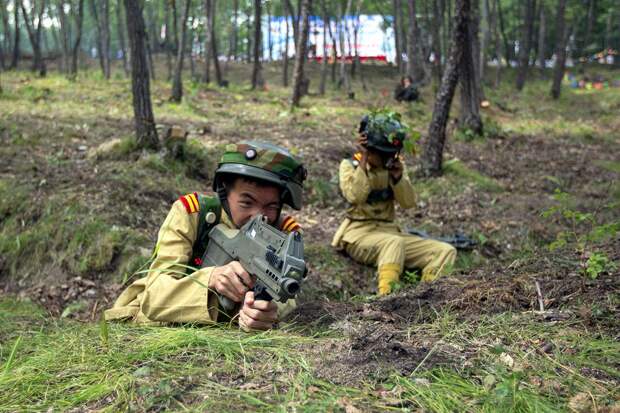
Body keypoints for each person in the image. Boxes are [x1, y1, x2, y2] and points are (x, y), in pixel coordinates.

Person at [105, 141, 307, 331]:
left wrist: (259, 314)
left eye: (271, 206)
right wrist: (211, 278)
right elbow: (154, 299)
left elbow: (287, 301)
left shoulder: (285, 237)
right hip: (153, 327)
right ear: (224, 194)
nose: (258, 217)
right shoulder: (194, 214)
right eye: (246, 203)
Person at [332, 112, 456, 295]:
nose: (386, 159)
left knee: (445, 251)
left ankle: (428, 297)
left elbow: (408, 203)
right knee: (394, 243)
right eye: (381, 154)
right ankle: (387, 297)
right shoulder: (350, 165)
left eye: (390, 154)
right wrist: (364, 161)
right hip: (359, 234)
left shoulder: (394, 167)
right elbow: (355, 196)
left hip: (389, 233)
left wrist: (398, 179)